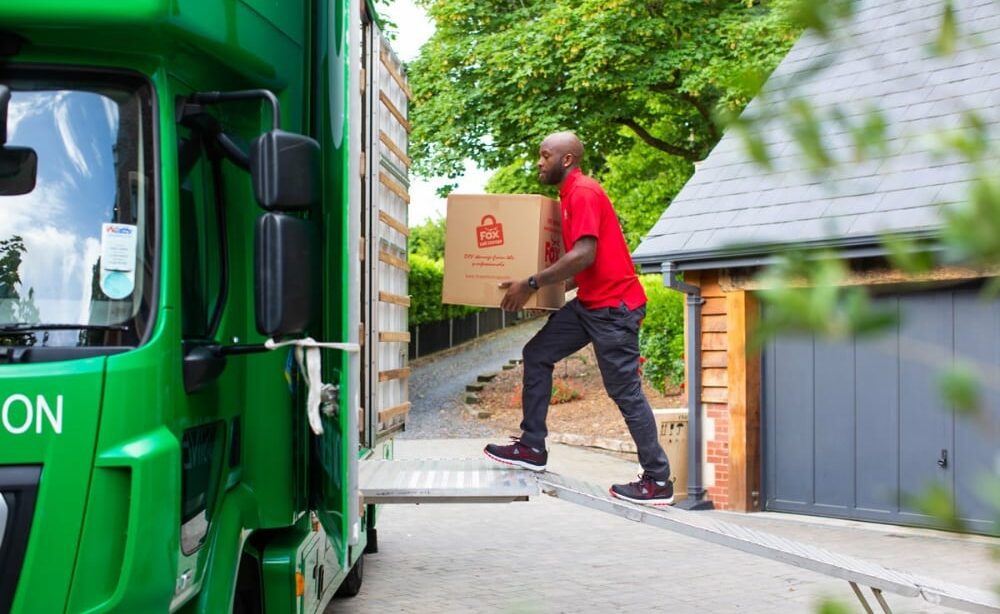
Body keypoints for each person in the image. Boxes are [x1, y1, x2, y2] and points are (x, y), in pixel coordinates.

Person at [483, 131, 674, 506]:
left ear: (566, 159)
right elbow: (583, 268)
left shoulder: (584, 192)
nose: (539, 162)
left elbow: (584, 254)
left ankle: (658, 480)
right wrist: (545, 293)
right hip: (591, 304)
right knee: (537, 353)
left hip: (614, 309)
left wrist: (533, 281)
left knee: (625, 392)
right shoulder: (567, 196)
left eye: (544, 155)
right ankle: (532, 447)